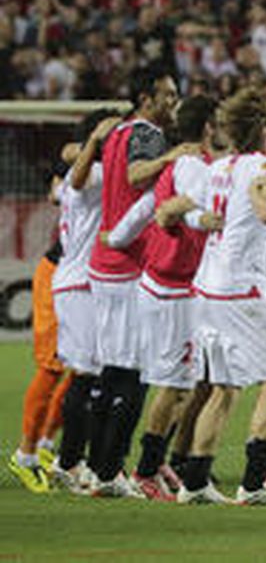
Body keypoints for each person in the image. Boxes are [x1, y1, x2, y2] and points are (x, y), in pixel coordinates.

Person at [99, 95, 224, 501]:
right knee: (174, 385)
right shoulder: (193, 166)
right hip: (173, 290)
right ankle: (146, 470)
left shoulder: (180, 164)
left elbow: (146, 206)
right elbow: (175, 209)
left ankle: (155, 463)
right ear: (209, 126)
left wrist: (118, 237)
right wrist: (204, 218)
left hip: (165, 285)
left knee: (182, 383)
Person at [182, 88, 266, 505]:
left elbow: (191, 210)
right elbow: (263, 197)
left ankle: (194, 482)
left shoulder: (218, 167)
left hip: (206, 286)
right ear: (264, 127)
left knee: (225, 387)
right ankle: (254, 483)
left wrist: (203, 219)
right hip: (241, 290)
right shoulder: (265, 163)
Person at [86, 67, 185, 496]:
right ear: (146, 100)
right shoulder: (147, 133)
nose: (173, 103)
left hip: (105, 262)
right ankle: (111, 473)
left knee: (111, 371)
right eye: (167, 94)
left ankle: (96, 467)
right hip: (128, 264)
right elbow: (136, 176)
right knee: (133, 374)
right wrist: (171, 157)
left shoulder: (117, 133)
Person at [47, 111, 118, 491]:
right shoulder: (97, 174)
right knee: (89, 375)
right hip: (81, 284)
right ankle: (70, 462)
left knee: (90, 375)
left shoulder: (77, 177)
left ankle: (75, 460)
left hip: (77, 282)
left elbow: (57, 188)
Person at [10, 239, 69, 493]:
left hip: (91, 279)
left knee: (88, 369)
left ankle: (45, 444)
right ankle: (25, 455)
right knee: (52, 366)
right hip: (59, 275)